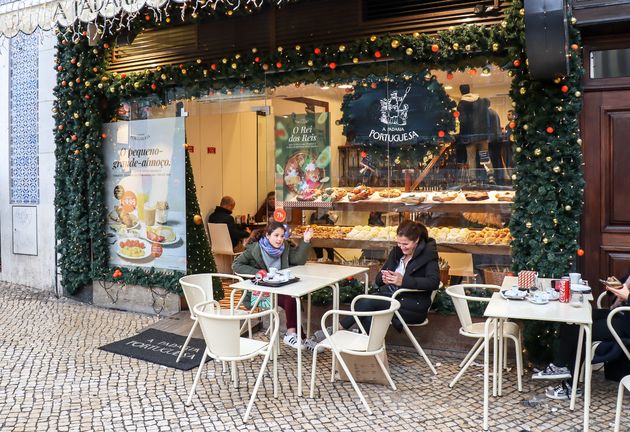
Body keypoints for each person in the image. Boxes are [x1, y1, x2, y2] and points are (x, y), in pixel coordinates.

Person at [322, 220, 440, 336]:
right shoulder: (397, 253)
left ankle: (337, 329)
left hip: (413, 306)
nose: (401, 247)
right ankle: (371, 350)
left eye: (405, 244)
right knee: (367, 312)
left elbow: (434, 282)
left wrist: (403, 281)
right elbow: (378, 280)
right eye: (399, 243)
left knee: (366, 303)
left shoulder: (428, 255)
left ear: (417, 240)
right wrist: (383, 278)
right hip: (390, 298)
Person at [535, 273, 630, 400]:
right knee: (575, 319)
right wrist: (613, 287)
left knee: (581, 331)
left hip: (626, 325)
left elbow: (626, 293)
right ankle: (564, 373)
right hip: (622, 314)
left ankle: (565, 376)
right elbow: (623, 284)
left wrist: (627, 296)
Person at [232, 221, 319, 351]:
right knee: (292, 298)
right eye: (276, 235)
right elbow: (236, 265)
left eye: (282, 236)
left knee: (293, 297)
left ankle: (297, 336)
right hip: (261, 294)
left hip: (280, 289)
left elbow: (298, 260)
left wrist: (306, 240)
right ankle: (296, 335)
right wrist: (258, 273)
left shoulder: (284, 248)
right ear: (268, 235)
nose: (279, 239)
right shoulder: (255, 249)